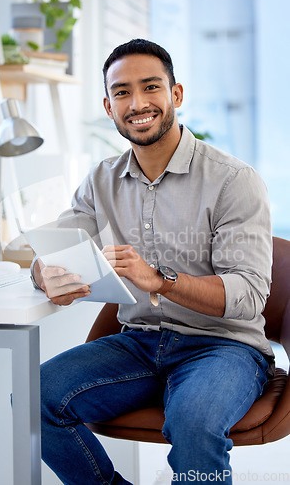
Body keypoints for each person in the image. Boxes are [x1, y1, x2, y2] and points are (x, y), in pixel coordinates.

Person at [31, 39, 274, 484]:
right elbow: (57, 247)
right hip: (139, 342)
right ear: (109, 106)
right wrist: (44, 272)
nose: (137, 103)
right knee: (34, 398)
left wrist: (161, 280)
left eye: (150, 87)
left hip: (224, 346)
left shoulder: (233, 181)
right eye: (122, 92)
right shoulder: (101, 179)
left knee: (194, 423)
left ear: (175, 95)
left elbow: (249, 296)